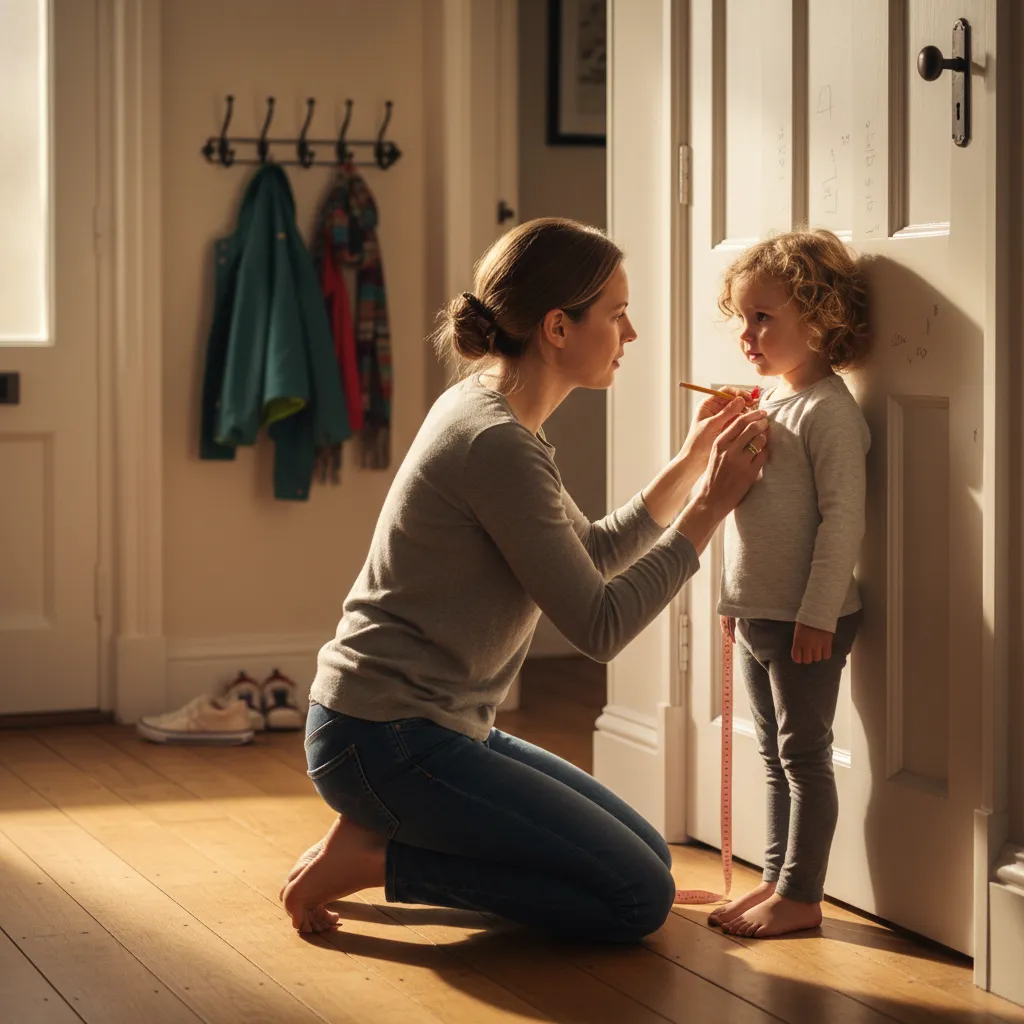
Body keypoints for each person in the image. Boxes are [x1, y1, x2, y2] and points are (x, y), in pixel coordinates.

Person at [280, 217, 769, 941]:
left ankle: (372, 836)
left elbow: (592, 554)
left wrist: (694, 460)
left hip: (428, 725)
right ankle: (379, 861)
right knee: (635, 899)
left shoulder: (494, 411)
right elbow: (598, 626)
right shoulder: (496, 442)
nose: (629, 334)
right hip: (385, 738)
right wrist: (708, 510)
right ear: (557, 328)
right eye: (616, 314)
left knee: (648, 864)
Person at [709, 229, 871, 938]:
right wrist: (729, 603)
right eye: (742, 318)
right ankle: (777, 879)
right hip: (758, 614)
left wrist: (819, 615)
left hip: (808, 618)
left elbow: (843, 524)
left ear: (820, 316)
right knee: (774, 756)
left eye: (763, 317)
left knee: (805, 757)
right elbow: (746, 514)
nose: (746, 334)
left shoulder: (830, 412)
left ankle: (802, 896)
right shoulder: (771, 404)